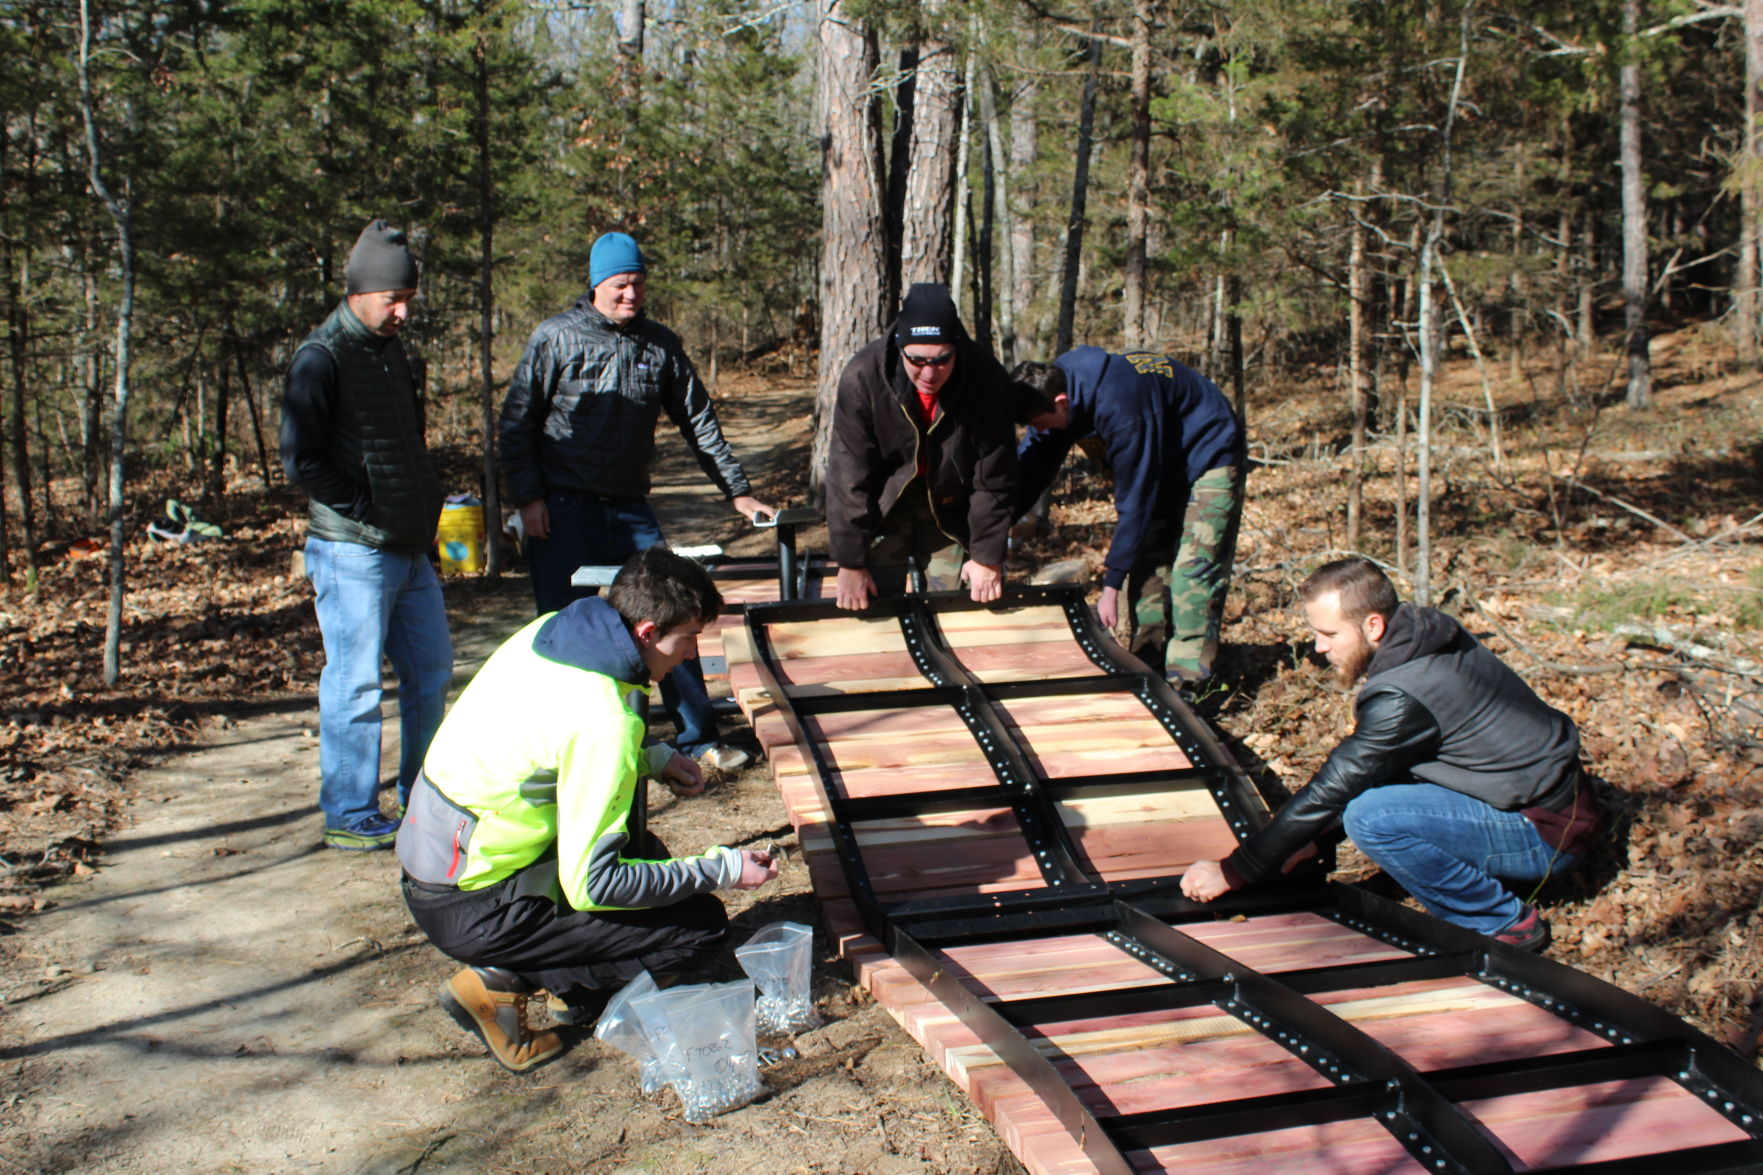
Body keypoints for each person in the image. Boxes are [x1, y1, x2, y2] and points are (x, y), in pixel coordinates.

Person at [396, 546, 780, 1073]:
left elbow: (545, 735)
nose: (692, 653)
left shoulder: (555, 632)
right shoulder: (605, 721)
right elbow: (595, 886)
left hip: (443, 858)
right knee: (698, 926)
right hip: (473, 902)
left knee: (647, 854)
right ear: (646, 632)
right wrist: (724, 869)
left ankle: (555, 975)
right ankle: (499, 983)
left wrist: (652, 758)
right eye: (688, 636)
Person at [1180, 558, 1600, 951]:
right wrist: (1314, 838)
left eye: (1329, 634)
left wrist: (1236, 870)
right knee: (1366, 798)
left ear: (1373, 625)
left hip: (1546, 837)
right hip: (1547, 805)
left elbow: (1335, 787)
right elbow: (1376, 765)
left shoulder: (1404, 694)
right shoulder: (1424, 635)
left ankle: (1502, 922)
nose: (1318, 648)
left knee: (1371, 816)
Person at [498, 231, 773, 771]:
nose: (631, 294)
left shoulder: (660, 344)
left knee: (674, 610)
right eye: (621, 284)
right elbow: (517, 424)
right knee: (560, 626)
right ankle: (559, 746)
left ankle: (697, 738)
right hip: (562, 505)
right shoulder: (555, 338)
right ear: (597, 284)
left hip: (628, 506)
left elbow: (699, 420)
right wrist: (528, 498)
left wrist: (738, 492)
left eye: (639, 284)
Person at [280, 219, 453, 850]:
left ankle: (423, 798)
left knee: (431, 673)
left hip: (408, 549)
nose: (404, 310)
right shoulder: (320, 357)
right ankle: (350, 812)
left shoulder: (389, 351)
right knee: (354, 683)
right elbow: (300, 457)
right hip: (352, 549)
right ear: (359, 291)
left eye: (409, 298)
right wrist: (364, 503)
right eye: (393, 299)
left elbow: (403, 440)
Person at [1012, 348, 1243, 686]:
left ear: (1061, 401)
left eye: (1039, 424)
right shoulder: (1050, 392)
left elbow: (1135, 499)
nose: (1040, 431)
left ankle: (1188, 682)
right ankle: (1148, 662)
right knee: (1148, 564)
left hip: (1209, 454)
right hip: (1160, 461)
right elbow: (1029, 471)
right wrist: (989, 536)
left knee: (1192, 573)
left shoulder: (1120, 407)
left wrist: (1110, 584)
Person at [825, 282, 1016, 610]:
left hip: (951, 504)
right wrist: (851, 562)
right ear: (900, 348)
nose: (929, 372)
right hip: (886, 501)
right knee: (874, 607)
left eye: (942, 360)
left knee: (957, 607)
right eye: (917, 360)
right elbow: (848, 473)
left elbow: (994, 477)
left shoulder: (986, 379)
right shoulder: (864, 375)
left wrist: (987, 556)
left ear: (956, 347)